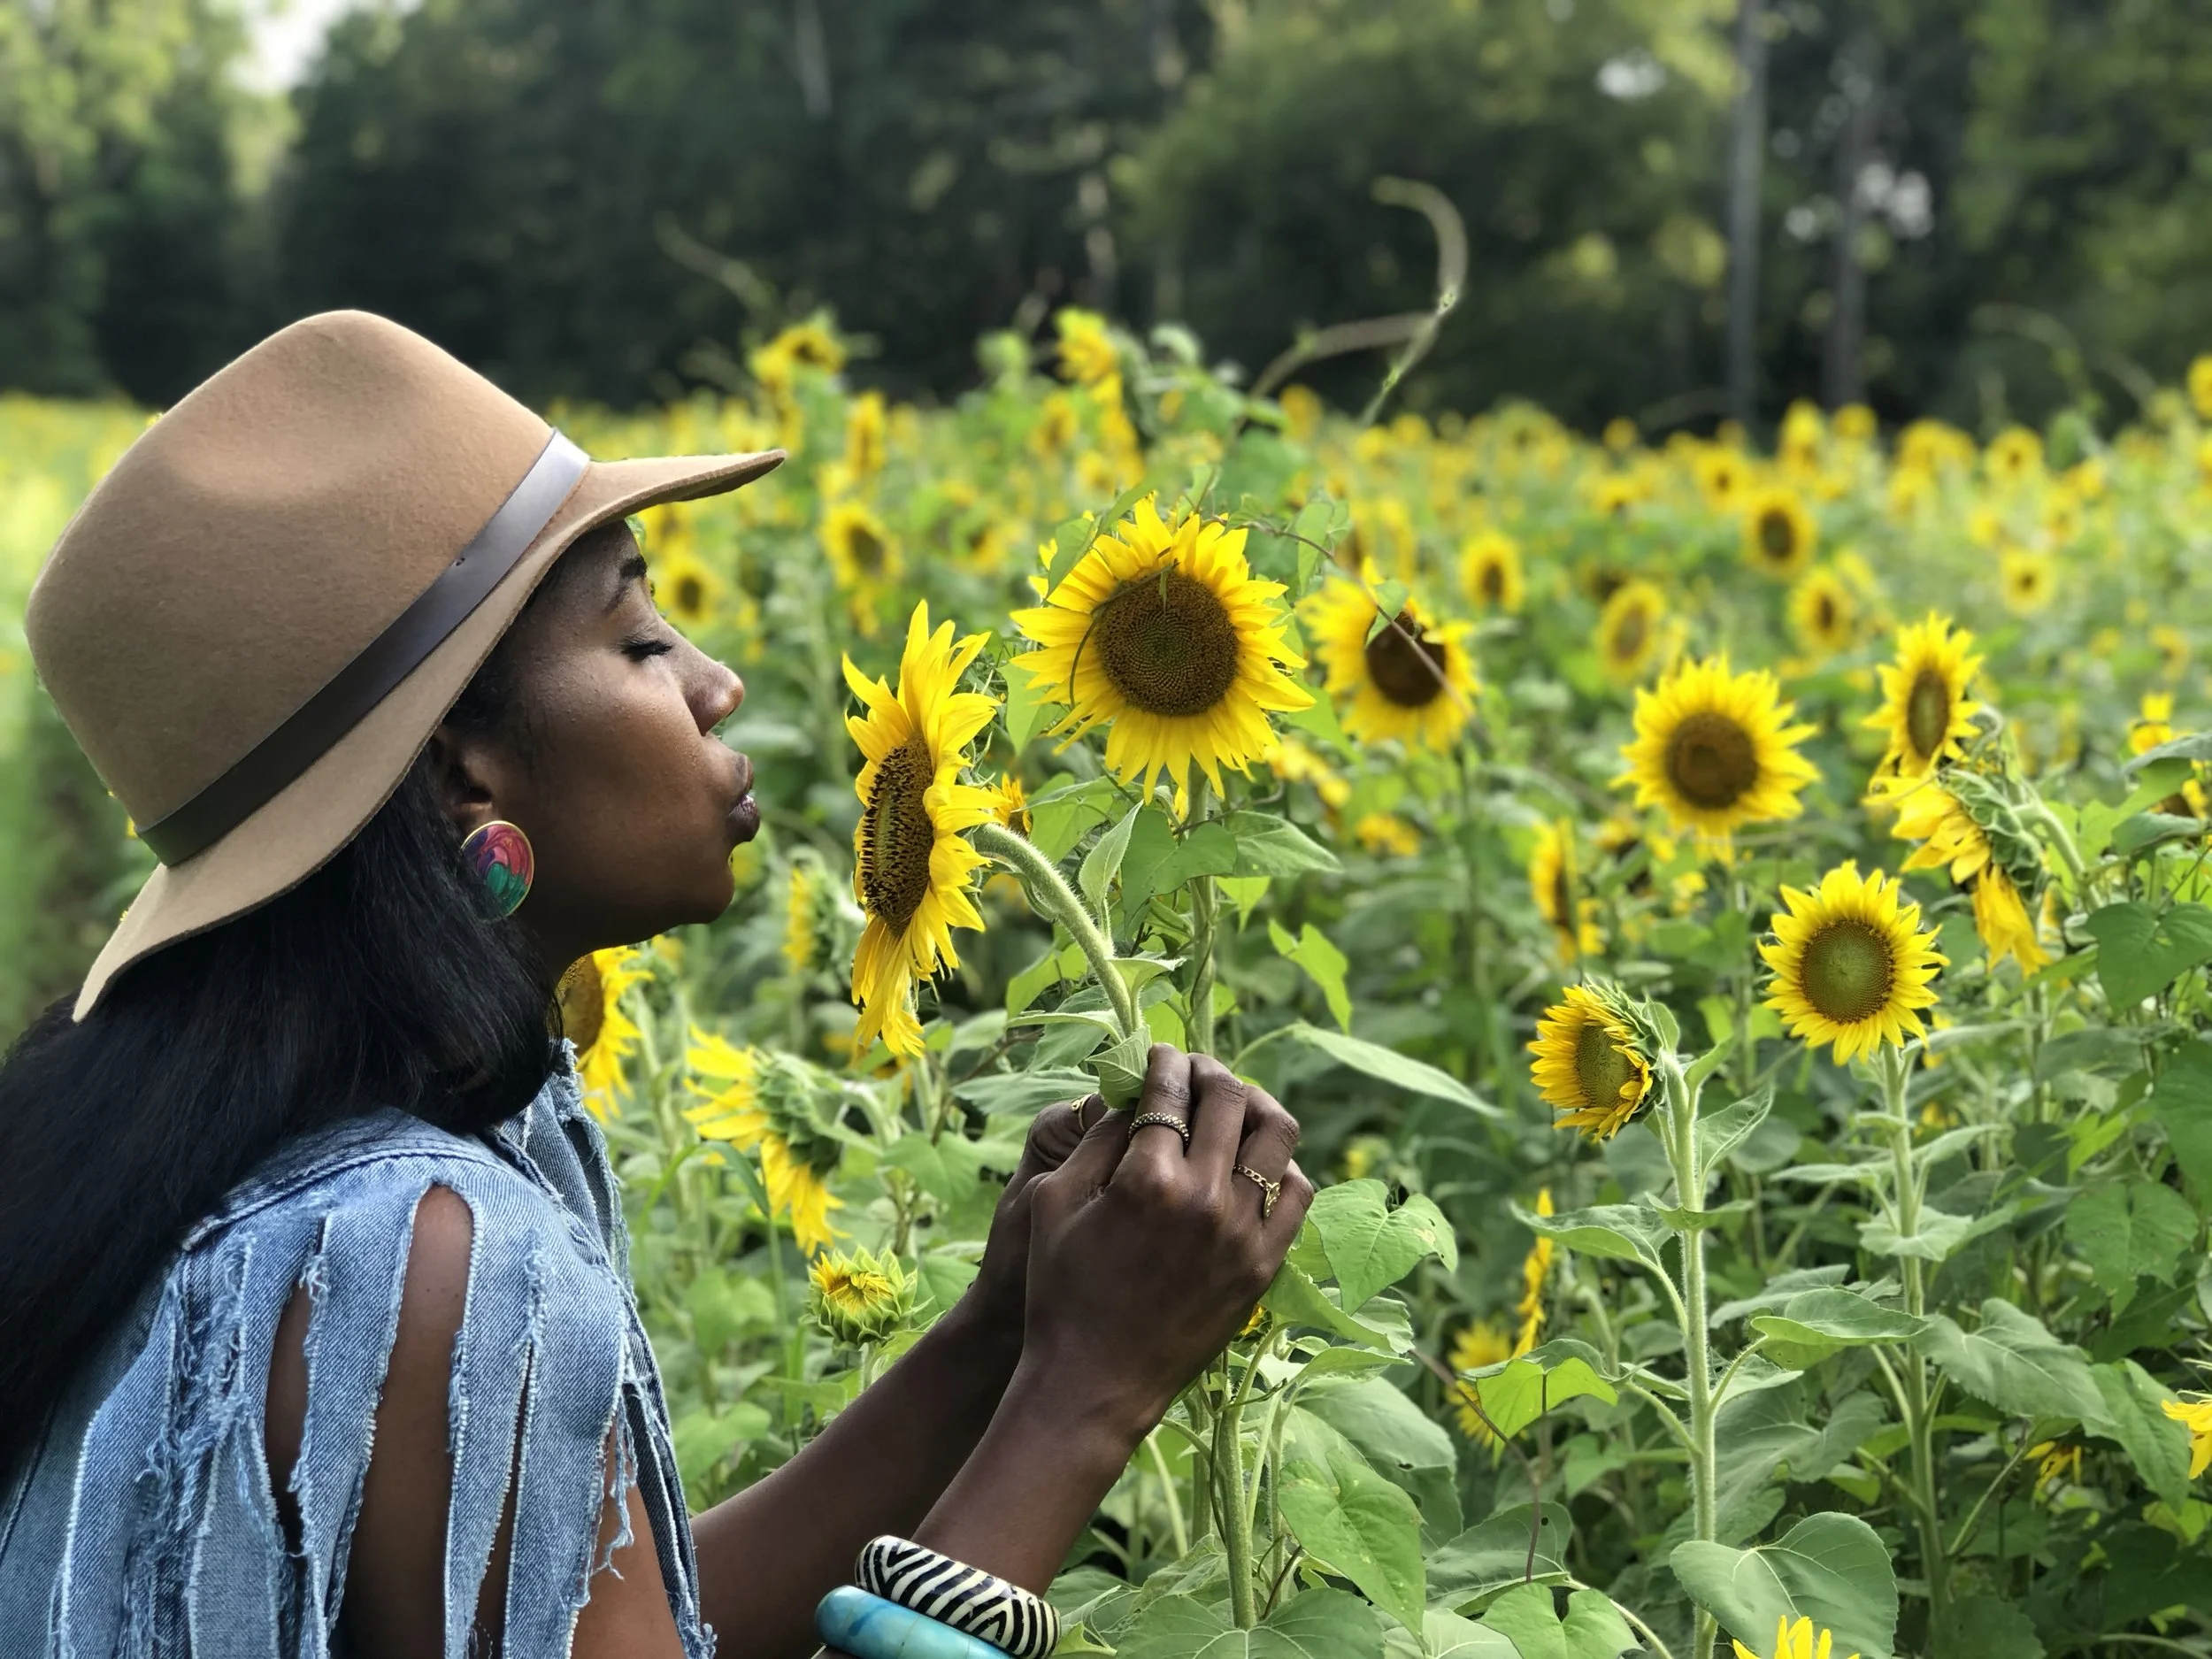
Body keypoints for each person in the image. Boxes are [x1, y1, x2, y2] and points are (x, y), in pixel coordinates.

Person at [0, 312, 1314, 1658]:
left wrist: (1001, 1330)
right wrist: (1084, 1399)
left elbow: (624, 1617)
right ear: (465, 773)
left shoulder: (273, 1153)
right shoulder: (428, 1259)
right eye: (638, 641)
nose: (718, 684)